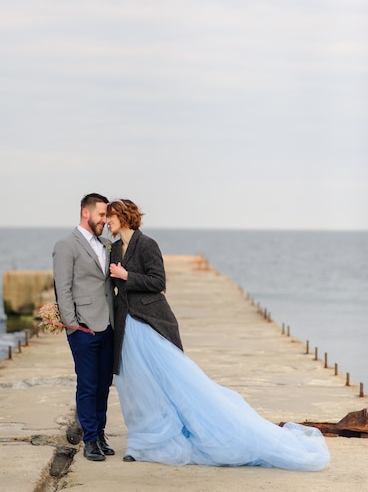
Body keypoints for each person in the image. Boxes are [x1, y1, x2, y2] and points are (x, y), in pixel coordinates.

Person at [107, 199, 330, 471]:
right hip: (126, 327)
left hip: (150, 325)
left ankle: (161, 439)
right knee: (138, 387)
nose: (107, 221)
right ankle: (142, 442)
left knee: (171, 382)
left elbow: (158, 282)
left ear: (124, 216)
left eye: (111, 216)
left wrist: (127, 275)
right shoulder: (115, 248)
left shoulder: (147, 244)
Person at [53, 193, 115, 461]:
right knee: (88, 385)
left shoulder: (107, 245)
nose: (105, 220)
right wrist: (73, 326)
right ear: (86, 213)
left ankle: (100, 434)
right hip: (84, 328)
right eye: (102, 215)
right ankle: (89, 440)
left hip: (108, 324)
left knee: (104, 384)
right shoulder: (66, 245)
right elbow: (62, 288)